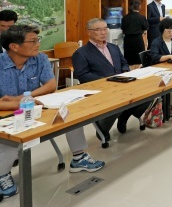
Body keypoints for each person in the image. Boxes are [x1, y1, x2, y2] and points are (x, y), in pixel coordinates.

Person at [0, 25, 105, 199]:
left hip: (35, 107)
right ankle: (3, 175)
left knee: (69, 114)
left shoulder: (39, 59)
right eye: (33, 41)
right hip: (7, 114)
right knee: (10, 136)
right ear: (14, 46)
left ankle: (78, 158)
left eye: (37, 40)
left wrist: (25, 98)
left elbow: (50, 85)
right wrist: (17, 104)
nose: (38, 44)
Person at [73, 18, 148, 139]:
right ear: (89, 32)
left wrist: (124, 73)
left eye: (105, 29)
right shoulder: (81, 53)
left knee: (147, 94)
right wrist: (106, 80)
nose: (103, 32)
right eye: (99, 29)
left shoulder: (113, 47)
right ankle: (103, 128)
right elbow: (82, 75)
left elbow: (124, 63)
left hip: (122, 84)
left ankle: (124, 117)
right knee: (117, 103)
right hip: (101, 90)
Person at [121, 0, 148, 67]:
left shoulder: (125, 17)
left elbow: (122, 28)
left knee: (129, 58)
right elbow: (146, 27)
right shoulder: (141, 17)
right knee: (139, 58)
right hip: (138, 39)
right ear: (139, 6)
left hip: (127, 39)